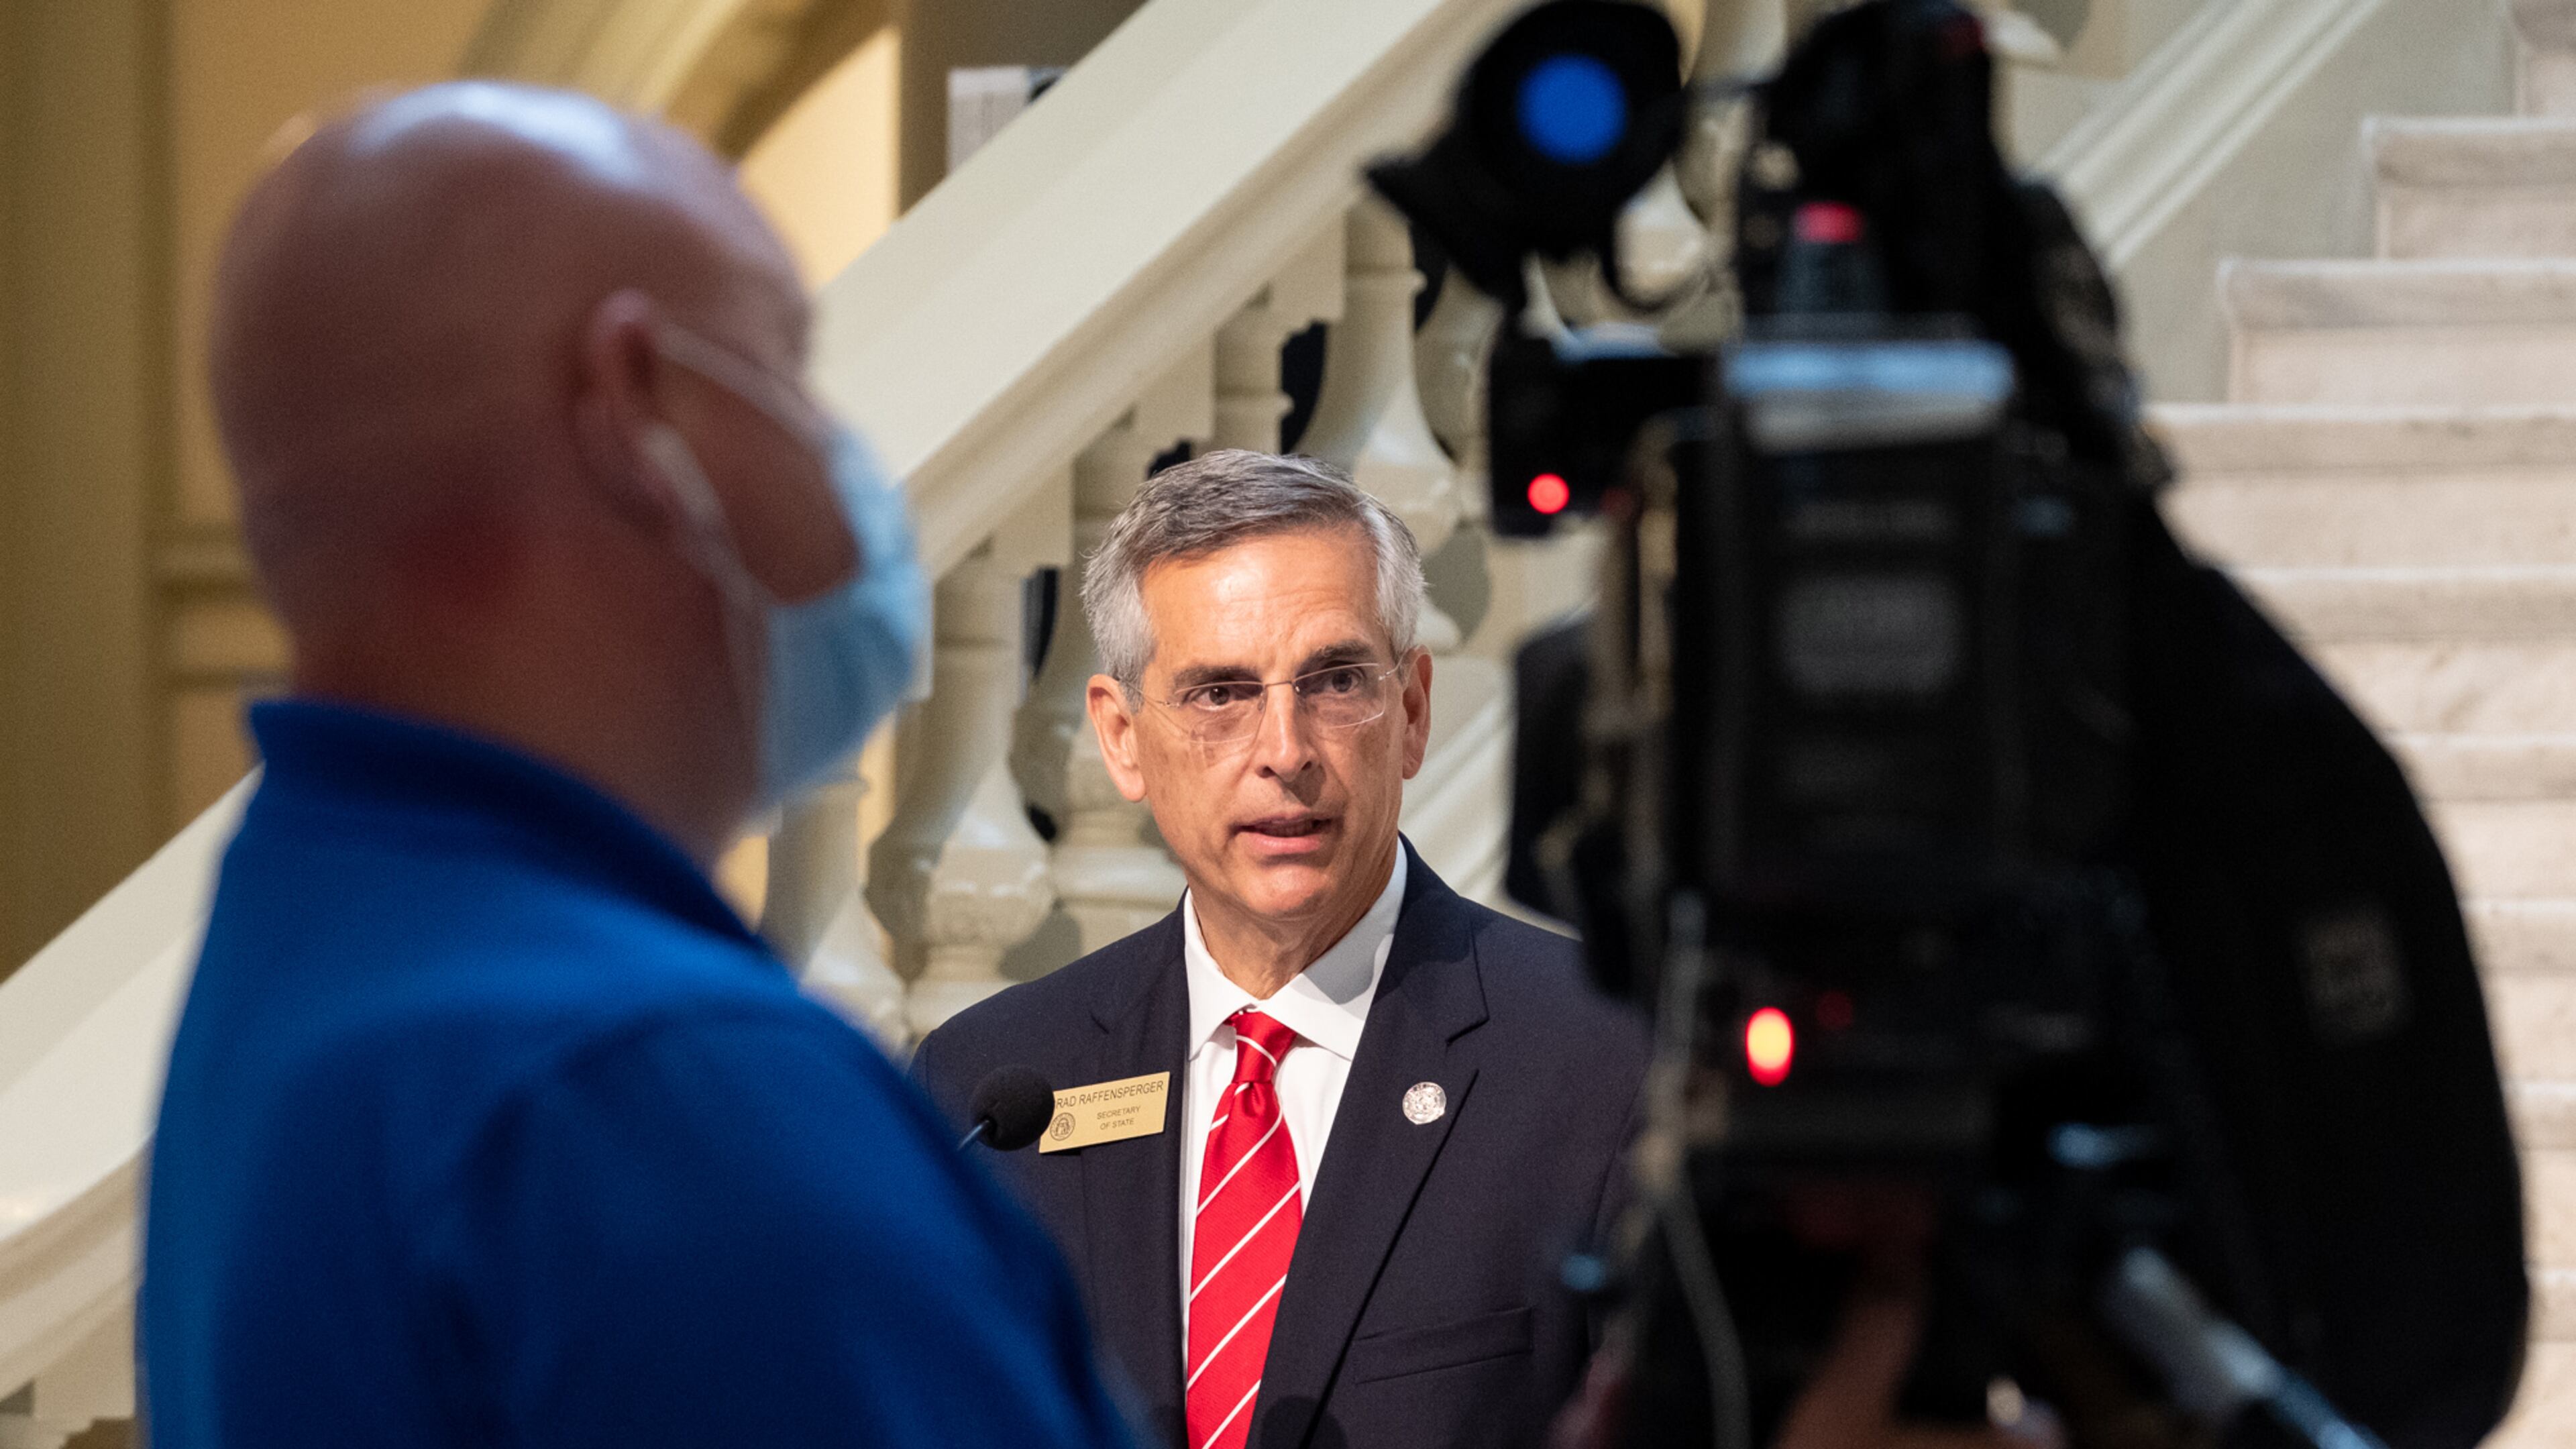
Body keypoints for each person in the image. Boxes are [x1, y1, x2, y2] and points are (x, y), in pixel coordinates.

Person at [141, 83, 1134, 1449]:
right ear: (637, 406)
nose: (836, 451)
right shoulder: (644, 1090)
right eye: (784, 362)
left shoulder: (308, 941)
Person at [911, 449, 1651, 1449]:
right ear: (1122, 737)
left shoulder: (1604, 1061)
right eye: (1219, 694)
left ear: (1414, 712)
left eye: (1335, 680)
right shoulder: (990, 1096)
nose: (1286, 751)